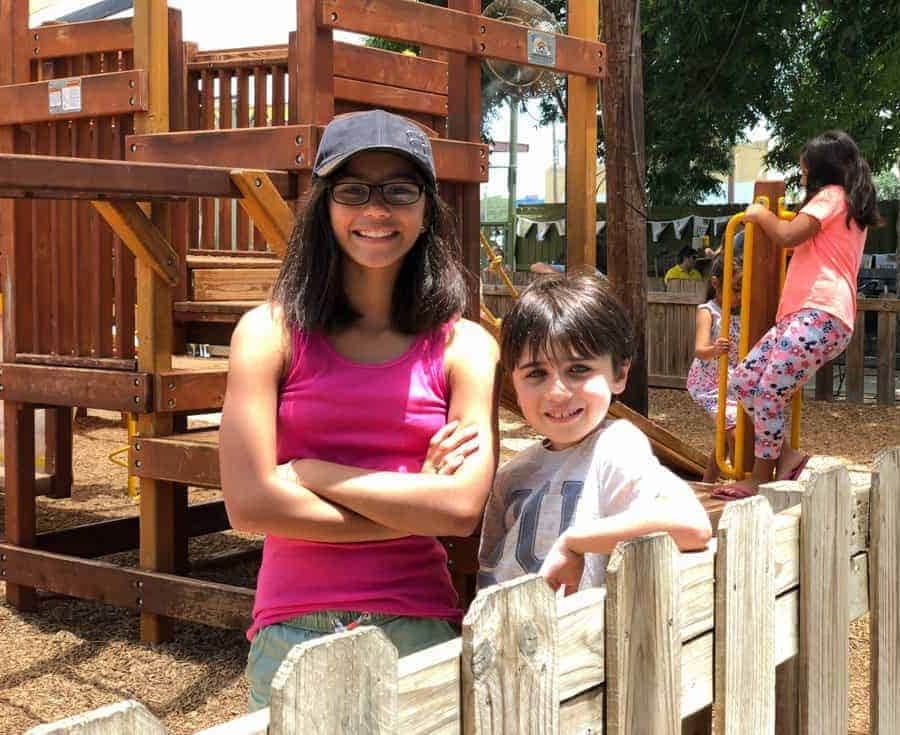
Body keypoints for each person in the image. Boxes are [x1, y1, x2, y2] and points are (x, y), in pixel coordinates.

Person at [219, 109, 499, 710]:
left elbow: (459, 509)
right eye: (353, 190)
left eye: (399, 190)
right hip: (292, 628)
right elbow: (248, 504)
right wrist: (413, 501)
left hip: (418, 624)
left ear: (427, 210)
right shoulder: (267, 334)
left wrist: (317, 475)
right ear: (325, 207)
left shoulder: (465, 347)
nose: (377, 210)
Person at [477, 273, 712, 595]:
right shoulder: (512, 476)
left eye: (578, 369)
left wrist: (575, 542)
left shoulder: (616, 446)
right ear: (513, 383)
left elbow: (691, 524)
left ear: (619, 375)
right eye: (536, 373)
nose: (557, 392)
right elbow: (490, 577)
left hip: (590, 637)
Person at [714, 130, 881, 500]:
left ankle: (760, 477)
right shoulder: (846, 203)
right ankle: (787, 456)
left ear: (824, 169)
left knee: (770, 391)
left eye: (805, 169)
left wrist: (759, 214)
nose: (801, 174)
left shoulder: (832, 196)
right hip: (803, 314)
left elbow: (788, 235)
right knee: (744, 381)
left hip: (820, 311)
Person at [686, 255, 743, 483]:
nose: (739, 297)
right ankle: (742, 482)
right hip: (709, 383)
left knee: (724, 440)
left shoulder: (743, 312)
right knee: (735, 433)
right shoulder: (708, 311)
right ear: (716, 283)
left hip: (733, 382)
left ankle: (707, 483)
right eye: (736, 289)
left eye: (742, 290)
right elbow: (700, 349)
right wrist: (714, 349)